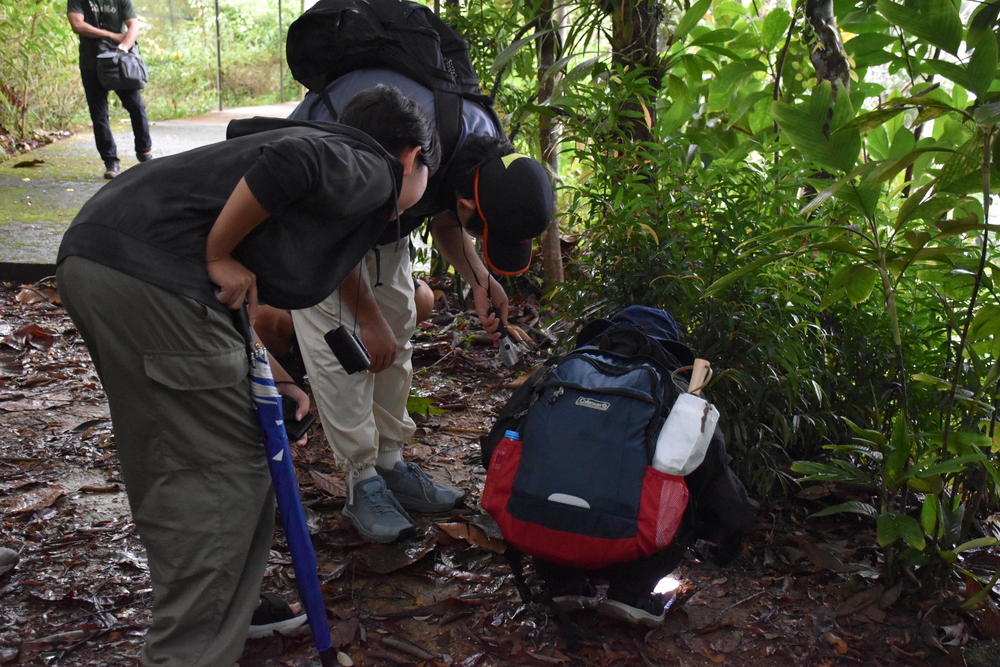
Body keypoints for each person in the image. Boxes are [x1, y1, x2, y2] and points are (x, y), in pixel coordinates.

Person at [56, 85, 439, 667]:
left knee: (174, 455)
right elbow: (290, 172)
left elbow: (242, 281)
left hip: (100, 259)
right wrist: (217, 251)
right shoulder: (368, 165)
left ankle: (225, 605)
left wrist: (277, 372)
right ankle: (192, 649)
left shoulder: (316, 148)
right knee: (225, 477)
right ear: (412, 155)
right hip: (158, 280)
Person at [286, 69, 554, 543]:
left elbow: (446, 218)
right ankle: (361, 480)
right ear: (472, 200)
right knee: (346, 352)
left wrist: (479, 280)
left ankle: (389, 464)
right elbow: (336, 236)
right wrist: (367, 318)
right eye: (484, 228)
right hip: (323, 223)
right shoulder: (384, 153)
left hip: (387, 222)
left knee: (399, 333)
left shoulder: (486, 154)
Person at [67, 0, 152, 179]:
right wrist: (111, 35)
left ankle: (145, 154)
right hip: (91, 63)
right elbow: (77, 24)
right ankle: (110, 161)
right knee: (99, 115)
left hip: (120, 63)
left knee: (136, 107)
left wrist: (122, 48)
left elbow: (133, 27)